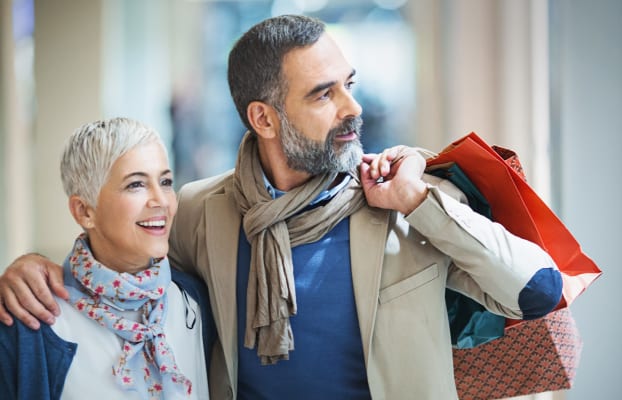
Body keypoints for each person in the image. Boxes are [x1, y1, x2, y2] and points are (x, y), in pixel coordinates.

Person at [0, 15, 562, 399]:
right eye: (323, 94)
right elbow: (124, 270)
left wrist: (419, 200)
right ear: (263, 119)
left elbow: (538, 291)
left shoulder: (406, 201)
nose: (352, 107)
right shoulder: (199, 211)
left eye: (349, 84)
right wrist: (31, 268)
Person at [0, 117, 211, 399]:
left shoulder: (195, 300)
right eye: (136, 184)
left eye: (165, 181)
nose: (160, 200)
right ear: (84, 211)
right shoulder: (30, 325)